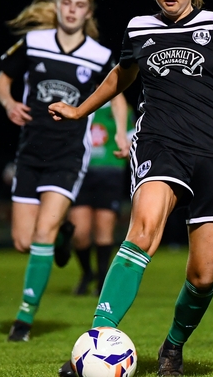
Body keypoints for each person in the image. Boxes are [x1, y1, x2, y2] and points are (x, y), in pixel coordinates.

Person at [49, 0, 213, 376]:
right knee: (143, 231)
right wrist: (80, 109)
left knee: (203, 276)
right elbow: (122, 76)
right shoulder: (139, 28)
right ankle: (96, 342)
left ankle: (173, 346)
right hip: (160, 143)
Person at [0, 0, 118, 342]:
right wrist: (8, 102)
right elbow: (2, 80)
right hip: (30, 152)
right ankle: (64, 234)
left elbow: (119, 91)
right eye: (67, 3)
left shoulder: (98, 55)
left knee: (41, 234)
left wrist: (123, 131)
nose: (72, 10)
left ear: (88, 12)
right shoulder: (34, 43)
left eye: (80, 5)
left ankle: (24, 319)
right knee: (23, 241)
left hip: (68, 155)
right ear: (58, 5)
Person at [69, 100, 133, 296]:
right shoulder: (76, 104)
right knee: (79, 232)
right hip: (80, 172)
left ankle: (102, 280)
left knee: (104, 230)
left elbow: (131, 141)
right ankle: (88, 273)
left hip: (109, 173)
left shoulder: (122, 109)